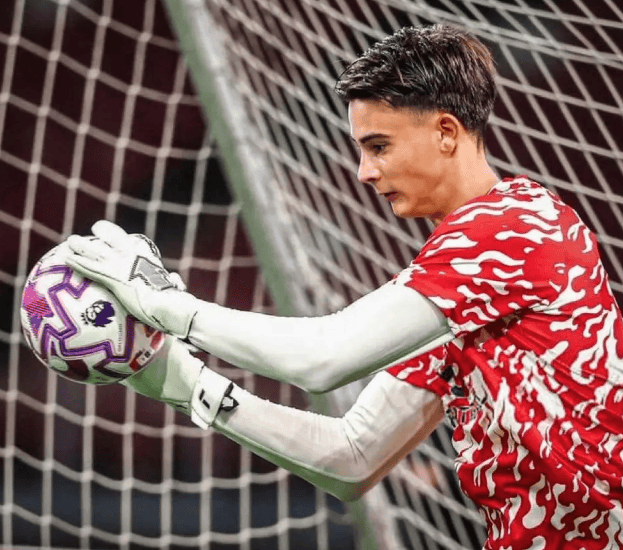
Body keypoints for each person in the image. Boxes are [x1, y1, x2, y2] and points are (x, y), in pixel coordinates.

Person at [63, 24, 623, 550]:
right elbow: (353, 456)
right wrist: (185, 385)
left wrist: (167, 307)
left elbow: (323, 358)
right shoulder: (461, 286)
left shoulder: (510, 230)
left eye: (378, 146)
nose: (364, 172)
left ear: (446, 133)